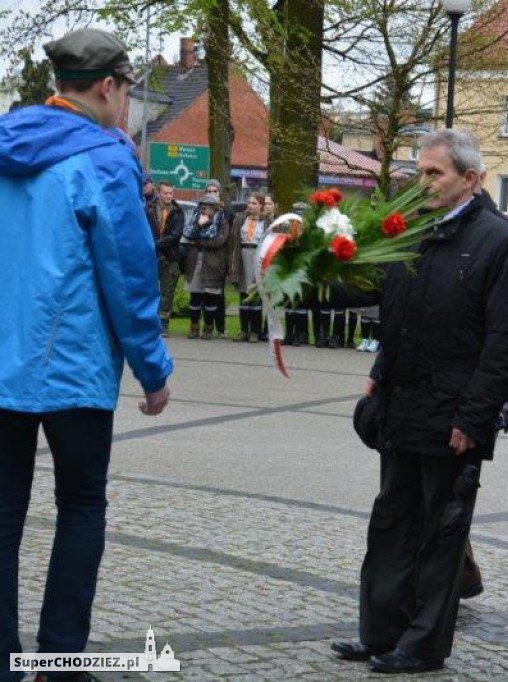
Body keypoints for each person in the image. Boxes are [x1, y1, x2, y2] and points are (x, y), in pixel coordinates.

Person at [0, 28, 173, 680]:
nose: (127, 108)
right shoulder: (104, 157)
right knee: (81, 507)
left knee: (2, 519)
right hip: (70, 366)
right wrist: (153, 368)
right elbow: (129, 277)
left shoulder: (6, 142)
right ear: (109, 86)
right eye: (129, 93)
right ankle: (61, 661)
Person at [330, 129, 508, 674]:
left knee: (440, 533)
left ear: (471, 179)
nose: (421, 183)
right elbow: (384, 297)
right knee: (392, 522)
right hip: (402, 404)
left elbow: (505, 339)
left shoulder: (502, 241)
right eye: (419, 172)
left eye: (433, 173)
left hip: (453, 415)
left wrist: (475, 415)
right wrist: (309, 266)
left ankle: (422, 646)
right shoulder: (413, 231)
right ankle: (380, 633)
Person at [182, 193, 230, 339]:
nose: (204, 209)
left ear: (215, 208)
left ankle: (208, 328)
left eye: (208, 206)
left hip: (213, 263)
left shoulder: (222, 222)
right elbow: (188, 235)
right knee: (195, 296)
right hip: (195, 261)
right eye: (202, 206)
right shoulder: (196, 219)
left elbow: (218, 241)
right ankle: (194, 327)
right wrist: (199, 225)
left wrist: (198, 243)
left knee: (210, 298)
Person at [146, 180, 185, 337]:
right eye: (165, 193)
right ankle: (149, 322)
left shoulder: (178, 212)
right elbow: (143, 229)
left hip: (170, 256)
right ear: (159, 193)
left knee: (167, 292)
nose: (168, 196)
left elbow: (175, 235)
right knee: (150, 290)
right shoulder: (148, 209)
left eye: (171, 193)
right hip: (150, 255)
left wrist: (156, 244)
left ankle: (163, 323)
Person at [228, 193, 266, 343]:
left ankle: (255, 331)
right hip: (243, 256)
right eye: (249, 203)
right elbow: (234, 240)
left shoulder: (266, 221)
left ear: (261, 205)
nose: (250, 206)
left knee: (255, 295)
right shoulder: (240, 219)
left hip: (258, 256)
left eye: (254, 203)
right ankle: (243, 330)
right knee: (244, 295)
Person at [204, 179, 232, 338]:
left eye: (215, 191)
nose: (212, 194)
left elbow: (226, 236)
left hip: (220, 257)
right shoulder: (201, 210)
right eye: (210, 191)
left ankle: (220, 327)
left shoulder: (226, 212)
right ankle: (206, 326)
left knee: (219, 294)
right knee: (205, 294)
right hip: (204, 257)